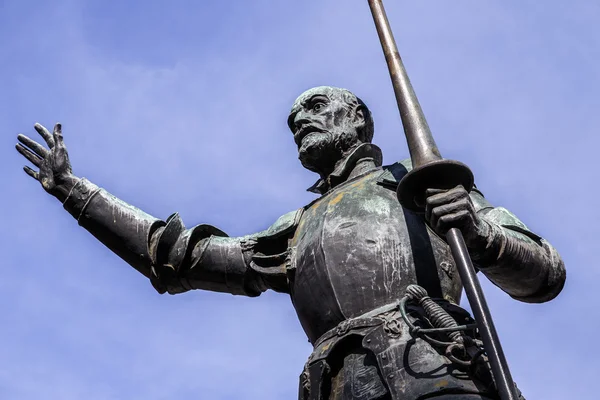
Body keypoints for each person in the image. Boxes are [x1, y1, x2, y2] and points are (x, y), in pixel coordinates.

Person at [15, 86, 565, 399]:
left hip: (438, 374)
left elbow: (543, 273)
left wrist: (477, 233)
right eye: (295, 117)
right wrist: (75, 192)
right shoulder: (296, 229)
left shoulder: (417, 184)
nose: (299, 118)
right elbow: (178, 257)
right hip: (339, 387)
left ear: (359, 119)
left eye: (317, 107)